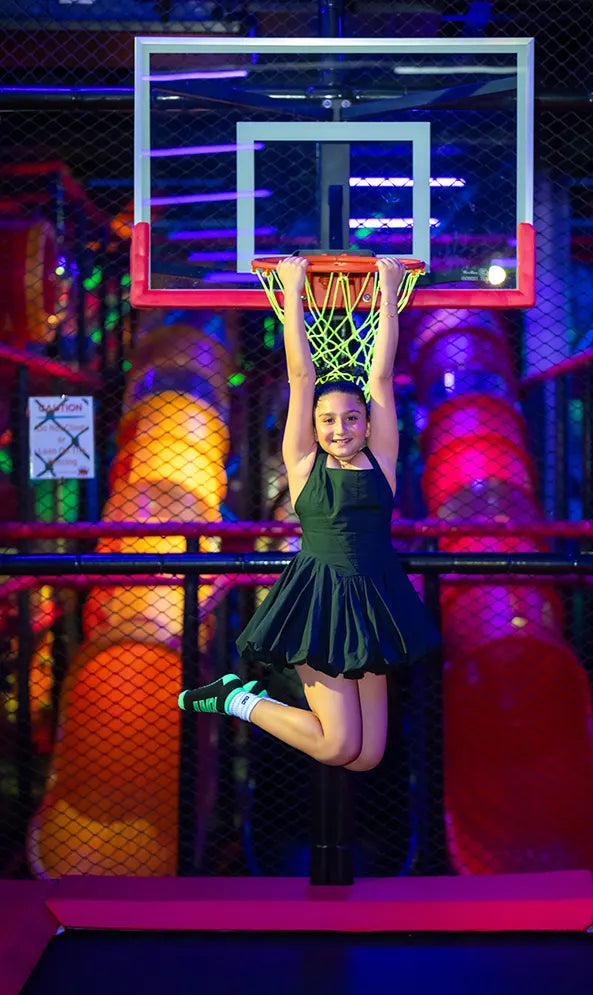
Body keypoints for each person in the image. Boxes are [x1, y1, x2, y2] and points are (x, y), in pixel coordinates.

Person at [179, 254, 440, 771]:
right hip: (320, 598)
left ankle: (241, 699)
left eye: (351, 418)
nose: (339, 428)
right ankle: (237, 699)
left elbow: (381, 376)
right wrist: (294, 292)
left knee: (367, 758)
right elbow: (302, 376)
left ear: (367, 425)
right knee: (337, 745)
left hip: (375, 599)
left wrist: (389, 292)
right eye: (328, 420)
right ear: (315, 426)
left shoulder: (380, 459)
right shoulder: (303, 463)